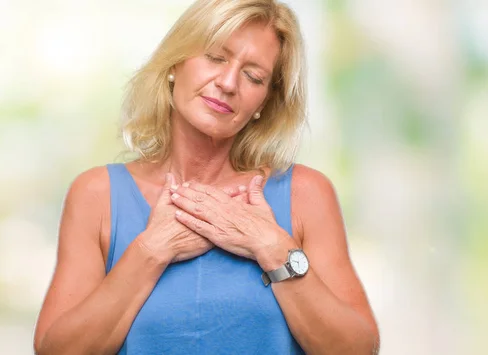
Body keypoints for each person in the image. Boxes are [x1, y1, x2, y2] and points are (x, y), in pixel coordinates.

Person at [33, 0, 379, 354]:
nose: (228, 83)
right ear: (175, 62)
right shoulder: (97, 195)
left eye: (253, 76)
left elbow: (356, 348)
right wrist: (151, 251)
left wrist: (272, 246)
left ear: (263, 102)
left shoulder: (305, 193)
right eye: (215, 57)